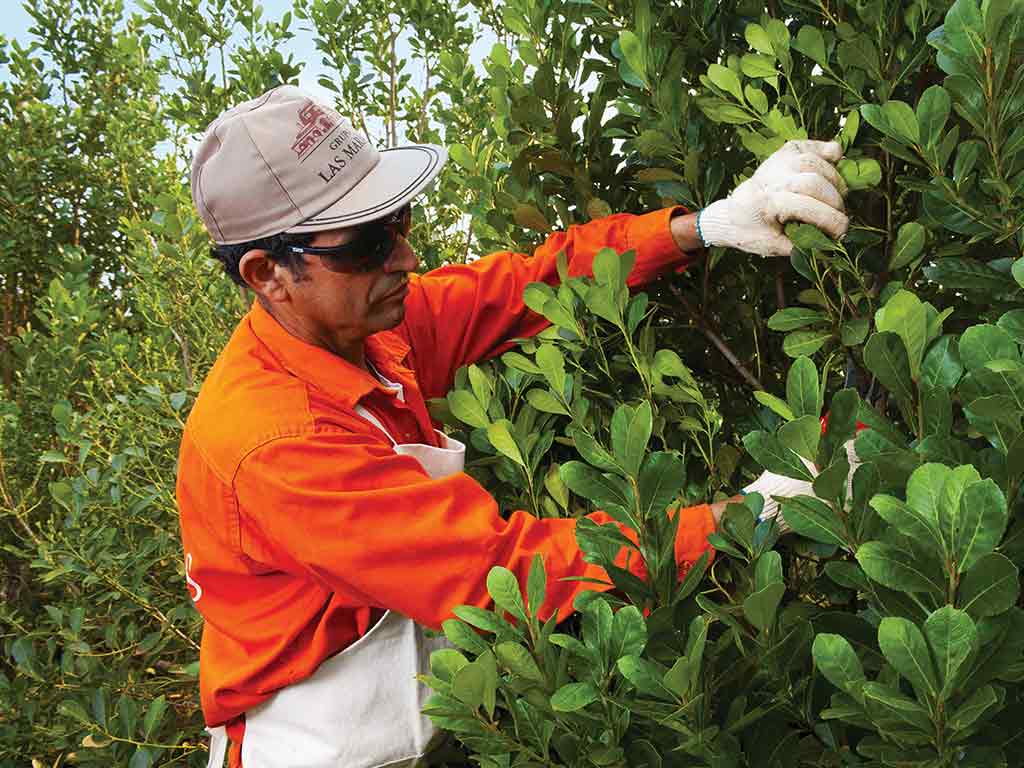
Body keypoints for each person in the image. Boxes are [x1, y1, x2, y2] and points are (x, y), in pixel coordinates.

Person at [177, 85, 850, 768]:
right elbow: (498, 574)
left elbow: (525, 283)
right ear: (269, 275)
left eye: (400, 220)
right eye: (367, 244)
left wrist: (706, 224)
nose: (405, 258)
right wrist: (753, 513)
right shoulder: (274, 443)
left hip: (421, 724)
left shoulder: (367, 329)